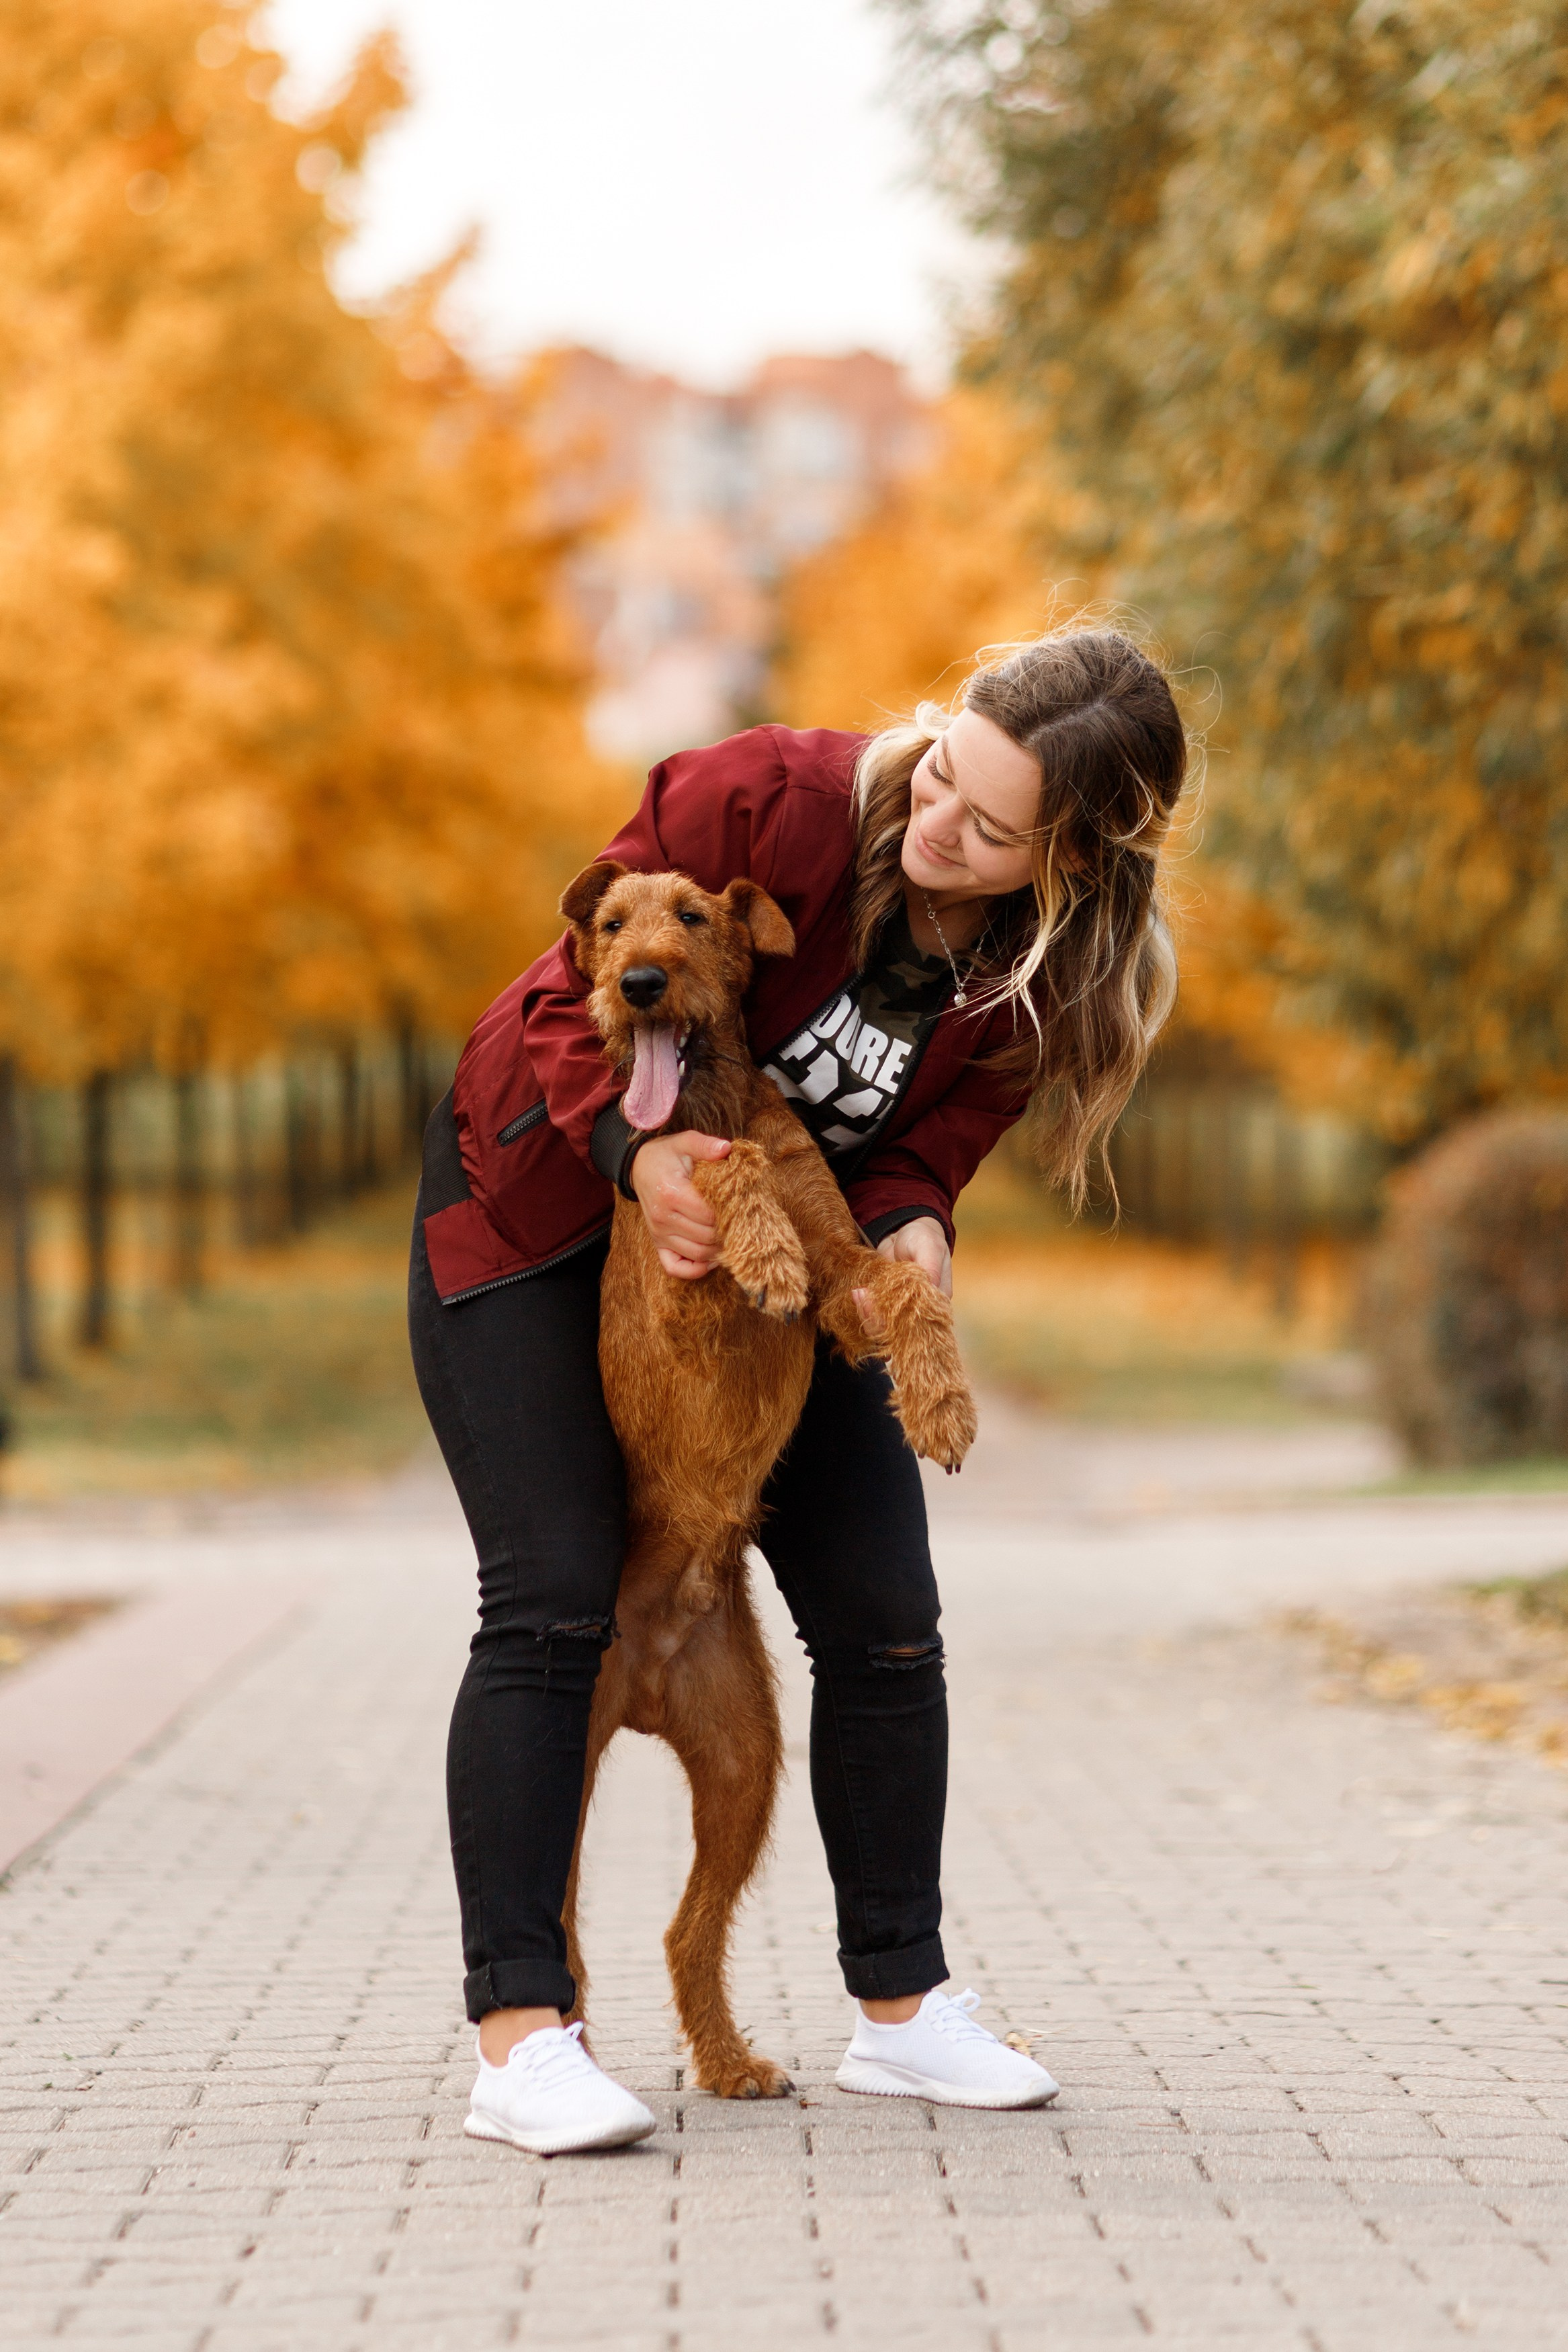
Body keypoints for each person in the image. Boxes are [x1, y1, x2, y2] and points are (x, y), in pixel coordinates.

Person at [408, 627, 1187, 2154]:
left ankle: (903, 2011)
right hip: (540, 1213)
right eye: (943, 771)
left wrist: (915, 1232)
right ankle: (523, 2034)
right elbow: (583, 987)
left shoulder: (1029, 990)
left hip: (777, 1247)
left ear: (1075, 860)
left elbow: (915, 1158)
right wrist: (638, 1159)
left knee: (888, 1612)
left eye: (989, 824)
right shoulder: (767, 800)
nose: (936, 823)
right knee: (558, 1589)